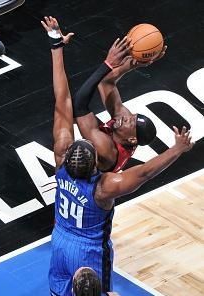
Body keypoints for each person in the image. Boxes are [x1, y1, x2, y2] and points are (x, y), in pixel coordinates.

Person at [41, 16, 194, 296]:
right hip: (87, 251)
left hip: (60, 239)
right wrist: (177, 150)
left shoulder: (64, 158)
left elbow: (63, 101)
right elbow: (146, 172)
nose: (124, 117)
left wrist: (56, 47)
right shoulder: (105, 185)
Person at [73, 35, 167, 172]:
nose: (126, 117)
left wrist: (108, 64)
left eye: (131, 121)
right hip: (101, 141)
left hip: (87, 188)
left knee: (65, 114)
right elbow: (106, 83)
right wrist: (131, 65)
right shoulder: (125, 126)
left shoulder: (107, 149)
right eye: (132, 116)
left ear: (132, 140)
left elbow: (79, 104)